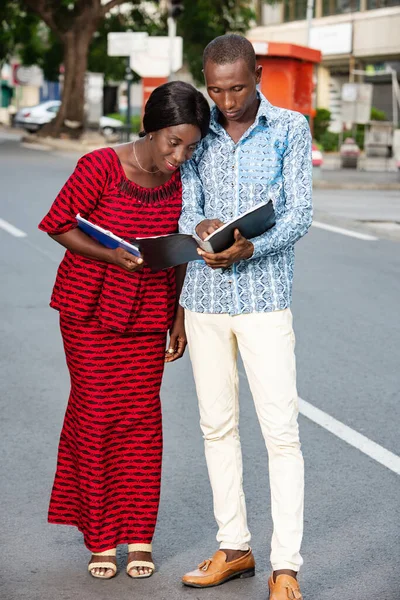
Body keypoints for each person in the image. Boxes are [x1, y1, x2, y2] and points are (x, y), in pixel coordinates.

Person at [39, 81, 210, 580]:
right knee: (96, 414)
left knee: (141, 419)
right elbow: (58, 224)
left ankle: (138, 534)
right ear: (150, 129)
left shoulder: (183, 181)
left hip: (150, 309)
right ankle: (100, 538)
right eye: (172, 141)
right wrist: (110, 254)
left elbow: (179, 249)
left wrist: (178, 314)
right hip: (90, 307)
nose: (181, 154)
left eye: (191, 144)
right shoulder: (100, 167)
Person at [178, 35, 312, 600]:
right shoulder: (198, 132)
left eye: (236, 87)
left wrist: (252, 248)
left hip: (263, 301)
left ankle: (286, 567)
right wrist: (202, 226)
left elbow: (300, 211)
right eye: (215, 88)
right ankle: (234, 546)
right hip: (206, 301)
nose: (226, 101)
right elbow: (185, 201)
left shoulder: (290, 129)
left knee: (280, 433)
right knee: (216, 427)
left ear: (257, 74)